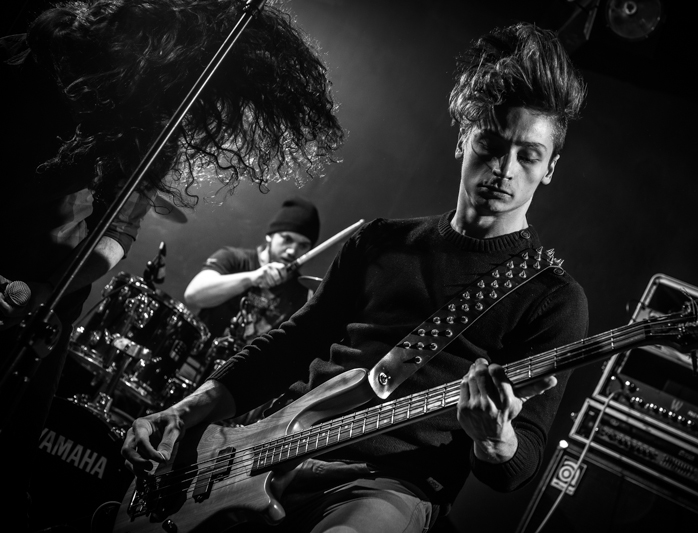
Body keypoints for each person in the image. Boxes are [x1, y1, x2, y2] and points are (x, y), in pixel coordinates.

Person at [122, 22, 589, 533]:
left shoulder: (551, 298)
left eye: (528, 155)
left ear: (550, 168)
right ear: (463, 139)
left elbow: (519, 465)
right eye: (491, 143)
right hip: (272, 451)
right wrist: (185, 411)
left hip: (384, 486)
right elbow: (292, 344)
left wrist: (495, 438)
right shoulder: (381, 241)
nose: (505, 168)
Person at [0, 1, 343, 530]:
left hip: (45, 305)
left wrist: (49, 288)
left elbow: (117, 235)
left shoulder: (152, 131)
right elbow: (199, 292)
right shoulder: (41, 69)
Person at [184, 197, 321, 343]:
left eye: (303, 246)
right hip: (199, 351)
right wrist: (252, 278)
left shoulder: (302, 293)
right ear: (270, 236)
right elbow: (193, 296)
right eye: (287, 239)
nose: (292, 251)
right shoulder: (233, 258)